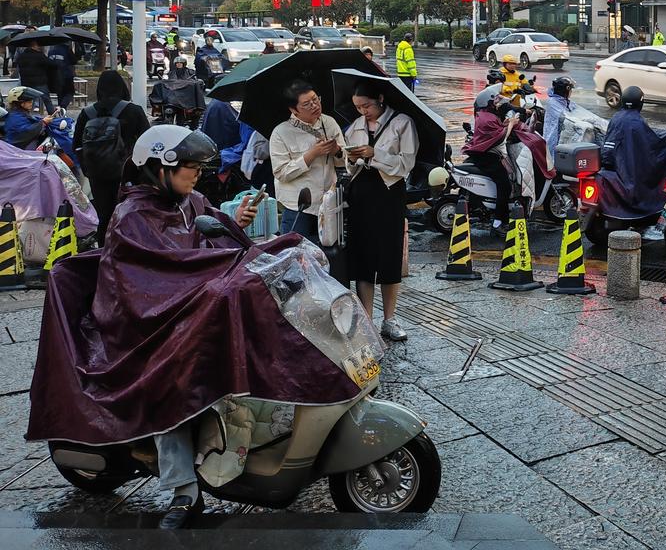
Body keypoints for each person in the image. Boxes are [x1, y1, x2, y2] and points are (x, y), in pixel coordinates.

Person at [26, 125, 368, 530]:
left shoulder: (190, 201)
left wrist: (239, 228)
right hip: (141, 331)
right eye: (188, 166)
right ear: (159, 168)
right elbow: (155, 281)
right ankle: (184, 490)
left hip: (186, 310)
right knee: (172, 385)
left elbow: (211, 240)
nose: (195, 174)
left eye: (198, 167)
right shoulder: (131, 217)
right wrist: (226, 274)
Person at [344, 79, 418, 342]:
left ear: (380, 99)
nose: (363, 111)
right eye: (358, 107)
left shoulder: (402, 123)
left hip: (389, 193)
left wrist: (374, 154)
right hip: (360, 192)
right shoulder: (355, 126)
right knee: (362, 256)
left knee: (389, 255)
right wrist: (352, 159)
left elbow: (406, 163)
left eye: (366, 106)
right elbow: (348, 167)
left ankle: (389, 318)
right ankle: (366, 320)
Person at [72, 70, 151, 240]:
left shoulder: (87, 113)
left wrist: (88, 168)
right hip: (127, 172)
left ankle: (103, 248)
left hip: (97, 173)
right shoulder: (133, 110)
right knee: (127, 213)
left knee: (103, 215)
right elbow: (148, 140)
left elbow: (76, 145)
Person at [270, 81, 345, 242]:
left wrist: (337, 151)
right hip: (298, 207)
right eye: (306, 104)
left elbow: (344, 162)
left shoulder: (329, 123)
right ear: (293, 110)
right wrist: (312, 154)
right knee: (296, 250)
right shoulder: (280, 133)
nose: (314, 106)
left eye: (315, 99)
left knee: (329, 250)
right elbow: (281, 173)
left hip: (328, 203)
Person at [596, 86, 666, 220]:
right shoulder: (636, 121)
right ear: (640, 102)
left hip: (617, 166)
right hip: (631, 174)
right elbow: (652, 143)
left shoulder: (616, 117)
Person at [462, 85, 521, 233]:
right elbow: (501, 137)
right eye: (494, 102)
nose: (497, 104)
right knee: (505, 186)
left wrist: (506, 123)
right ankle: (498, 222)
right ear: (488, 103)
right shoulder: (487, 119)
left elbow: (498, 129)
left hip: (484, 154)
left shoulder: (484, 115)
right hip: (487, 156)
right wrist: (511, 124)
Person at [543, 75, 608, 154]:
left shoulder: (564, 101)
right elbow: (566, 117)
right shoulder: (553, 102)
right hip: (556, 135)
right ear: (566, 90)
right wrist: (583, 121)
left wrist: (595, 120)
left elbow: (579, 112)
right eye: (570, 89)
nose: (571, 91)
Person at [14, 40, 55, 114]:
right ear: (34, 45)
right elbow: (51, 63)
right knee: (47, 100)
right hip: (39, 82)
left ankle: (26, 115)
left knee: (27, 100)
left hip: (26, 82)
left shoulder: (22, 56)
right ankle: (52, 115)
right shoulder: (39, 55)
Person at [45, 37, 77, 109]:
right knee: (70, 92)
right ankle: (62, 106)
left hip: (55, 76)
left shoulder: (51, 51)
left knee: (60, 94)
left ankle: (60, 109)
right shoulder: (67, 49)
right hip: (67, 75)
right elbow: (74, 61)